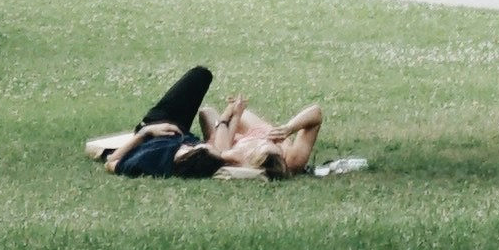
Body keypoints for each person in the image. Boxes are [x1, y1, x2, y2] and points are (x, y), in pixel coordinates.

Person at [82, 66, 326, 180]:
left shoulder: (234, 158)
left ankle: (142, 128)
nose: (257, 143)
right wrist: (287, 129)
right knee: (202, 76)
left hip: (158, 129)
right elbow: (315, 113)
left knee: (198, 77)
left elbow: (113, 164)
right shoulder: (284, 156)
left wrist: (146, 132)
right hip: (181, 136)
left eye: (255, 149)